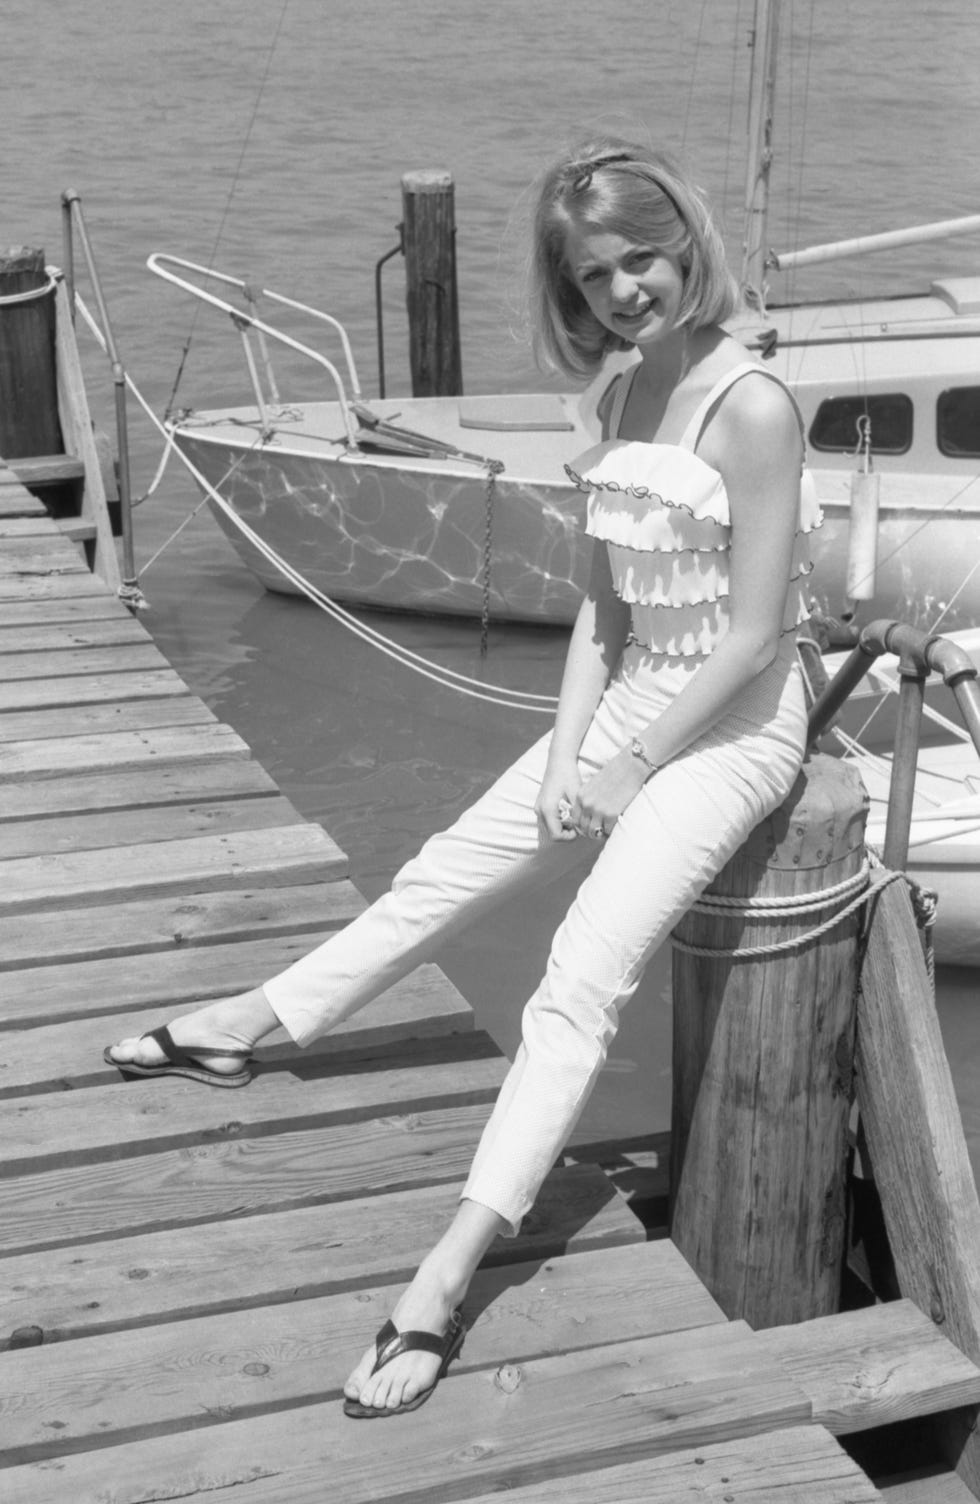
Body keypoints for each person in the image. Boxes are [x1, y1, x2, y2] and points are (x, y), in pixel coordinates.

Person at [106, 135, 822, 1418]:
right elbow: (601, 617)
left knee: (578, 977)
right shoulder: (610, 395)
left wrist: (627, 771)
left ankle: (440, 1278)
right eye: (594, 274)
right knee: (444, 867)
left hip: (733, 725)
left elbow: (755, 635)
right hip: (634, 703)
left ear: (685, 246)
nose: (623, 293)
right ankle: (250, 1026)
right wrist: (562, 761)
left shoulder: (749, 403)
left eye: (641, 261)